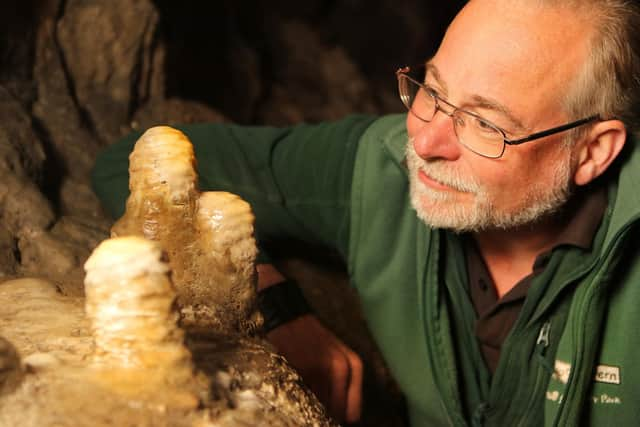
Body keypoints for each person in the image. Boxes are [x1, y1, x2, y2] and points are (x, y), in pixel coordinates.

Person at [92, 0, 640, 425]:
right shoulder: (381, 172)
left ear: (592, 151)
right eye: (431, 88)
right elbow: (136, 162)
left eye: (483, 124)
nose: (424, 141)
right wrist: (265, 300)